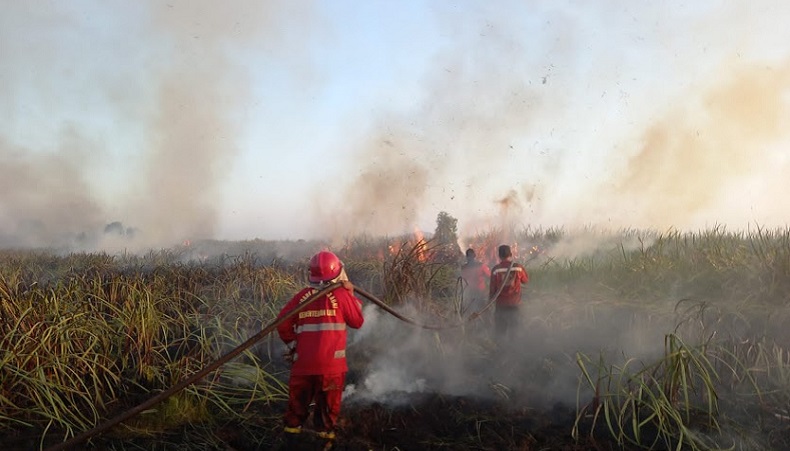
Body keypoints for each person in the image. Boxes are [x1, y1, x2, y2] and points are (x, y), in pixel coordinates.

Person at [276, 250, 364, 445]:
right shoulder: (341, 295)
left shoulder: (301, 297)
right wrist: (350, 294)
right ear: (338, 272)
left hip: (303, 367)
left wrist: (294, 347)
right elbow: (357, 321)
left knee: (296, 410)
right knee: (326, 414)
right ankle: (324, 443)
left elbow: (282, 323)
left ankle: (290, 443)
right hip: (331, 370)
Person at [489, 244, 529, 342]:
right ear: (510, 254)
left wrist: (490, 301)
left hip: (500, 305)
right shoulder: (518, 268)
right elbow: (525, 280)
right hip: (515, 304)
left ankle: (501, 350)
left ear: (499, 255)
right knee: (515, 330)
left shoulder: (496, 270)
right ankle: (513, 350)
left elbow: (492, 289)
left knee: (500, 331)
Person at [460, 248, 490, 319]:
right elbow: (490, 276)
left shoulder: (463, 268)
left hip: (469, 292)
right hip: (480, 292)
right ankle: (485, 325)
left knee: (470, 310)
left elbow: (462, 279)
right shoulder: (482, 266)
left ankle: (471, 325)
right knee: (483, 310)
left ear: (466, 257)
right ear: (474, 256)